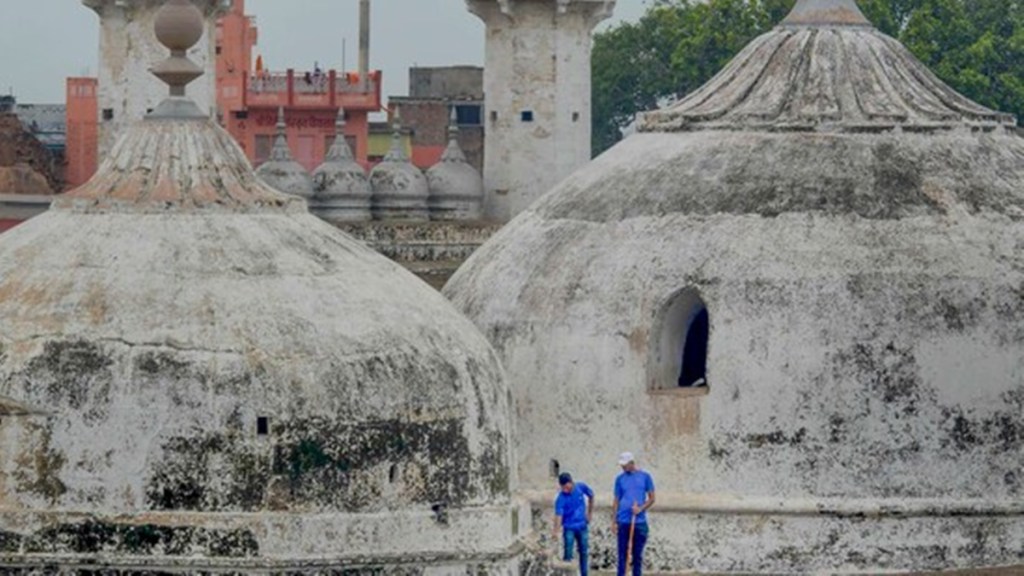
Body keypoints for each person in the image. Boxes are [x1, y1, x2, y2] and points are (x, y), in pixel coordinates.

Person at [612, 452, 655, 576]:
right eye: (622, 465)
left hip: (639, 522)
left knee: (637, 556)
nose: (623, 468)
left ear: (632, 463)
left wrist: (641, 508)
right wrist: (614, 521)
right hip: (623, 521)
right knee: (622, 555)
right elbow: (616, 500)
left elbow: (652, 498)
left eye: (625, 465)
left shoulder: (645, 477)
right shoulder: (619, 479)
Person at [553, 472, 593, 576]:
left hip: (582, 526)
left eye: (565, 487)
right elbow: (558, 516)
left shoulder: (580, 487)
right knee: (568, 554)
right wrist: (556, 531)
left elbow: (591, 495)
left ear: (571, 483)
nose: (564, 489)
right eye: (562, 487)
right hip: (569, 528)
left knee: (584, 553)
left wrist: (589, 513)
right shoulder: (561, 498)